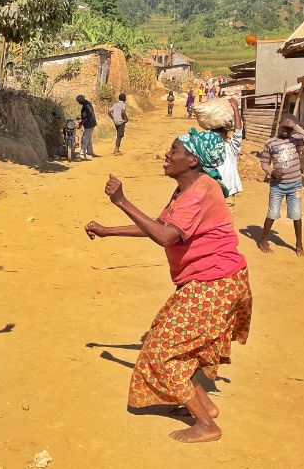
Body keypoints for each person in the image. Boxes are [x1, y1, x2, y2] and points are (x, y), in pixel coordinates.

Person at [84, 128, 252, 443]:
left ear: (192, 160)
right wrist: (108, 231)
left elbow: (164, 236)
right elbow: (160, 226)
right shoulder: (185, 191)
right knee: (171, 342)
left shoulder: (201, 190)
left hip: (215, 283)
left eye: (173, 150)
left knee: (162, 352)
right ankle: (205, 407)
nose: (167, 154)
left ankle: (206, 426)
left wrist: (121, 201)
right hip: (204, 282)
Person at [258, 115, 304, 256]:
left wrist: (295, 126)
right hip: (277, 186)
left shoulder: (295, 140)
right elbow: (264, 163)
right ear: (279, 125)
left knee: (296, 215)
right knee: (272, 213)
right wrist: (271, 171)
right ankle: (263, 240)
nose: (285, 130)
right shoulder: (270, 143)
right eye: (284, 126)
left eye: (288, 128)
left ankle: (299, 244)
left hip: (295, 185)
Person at [211, 98, 244, 207]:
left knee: (227, 222)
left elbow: (238, 132)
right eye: (213, 134)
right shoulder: (206, 148)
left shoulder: (231, 148)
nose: (216, 137)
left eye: (219, 134)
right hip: (210, 192)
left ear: (226, 135)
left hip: (228, 192)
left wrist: (235, 110)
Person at [77, 94, 97, 159]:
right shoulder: (88, 103)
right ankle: (90, 152)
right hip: (92, 123)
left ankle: (82, 153)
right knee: (88, 138)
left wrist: (80, 124)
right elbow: (88, 114)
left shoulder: (85, 107)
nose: (78, 103)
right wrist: (80, 118)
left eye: (78, 101)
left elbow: (85, 118)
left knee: (84, 138)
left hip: (89, 124)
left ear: (80, 101)